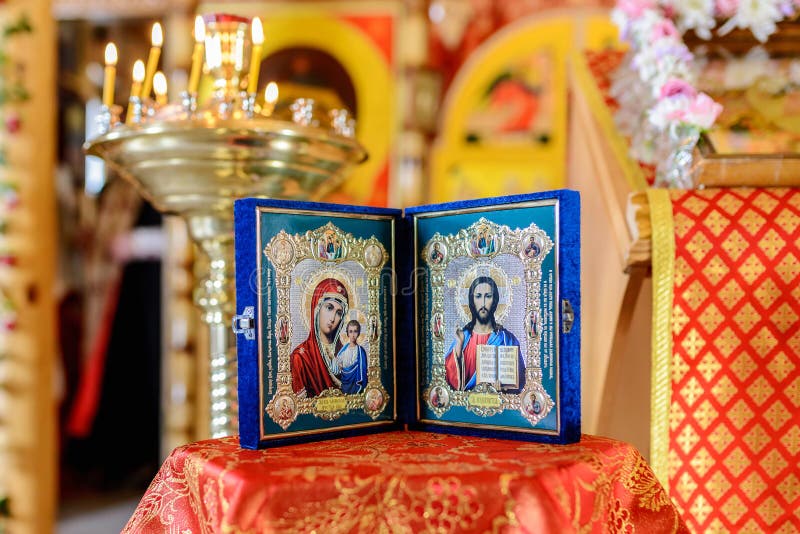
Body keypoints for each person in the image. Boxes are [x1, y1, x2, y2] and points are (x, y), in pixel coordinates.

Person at [444, 275, 525, 392]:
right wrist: (458, 347)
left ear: (495, 300)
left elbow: (520, 382)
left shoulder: (507, 340)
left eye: (488, 296)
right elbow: (448, 383)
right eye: (478, 296)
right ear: (472, 301)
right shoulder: (463, 338)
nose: (482, 303)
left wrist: (504, 388)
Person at [290, 278, 348, 397]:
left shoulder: (346, 353)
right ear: (317, 309)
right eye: (329, 308)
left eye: (339, 313)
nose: (332, 318)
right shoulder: (301, 357)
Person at [336, 319, 368, 394]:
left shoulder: (361, 351)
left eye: (355, 331)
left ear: (358, 333)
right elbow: (339, 367)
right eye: (350, 331)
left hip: (356, 384)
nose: (353, 335)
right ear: (347, 333)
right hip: (344, 383)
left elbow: (363, 371)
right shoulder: (343, 351)